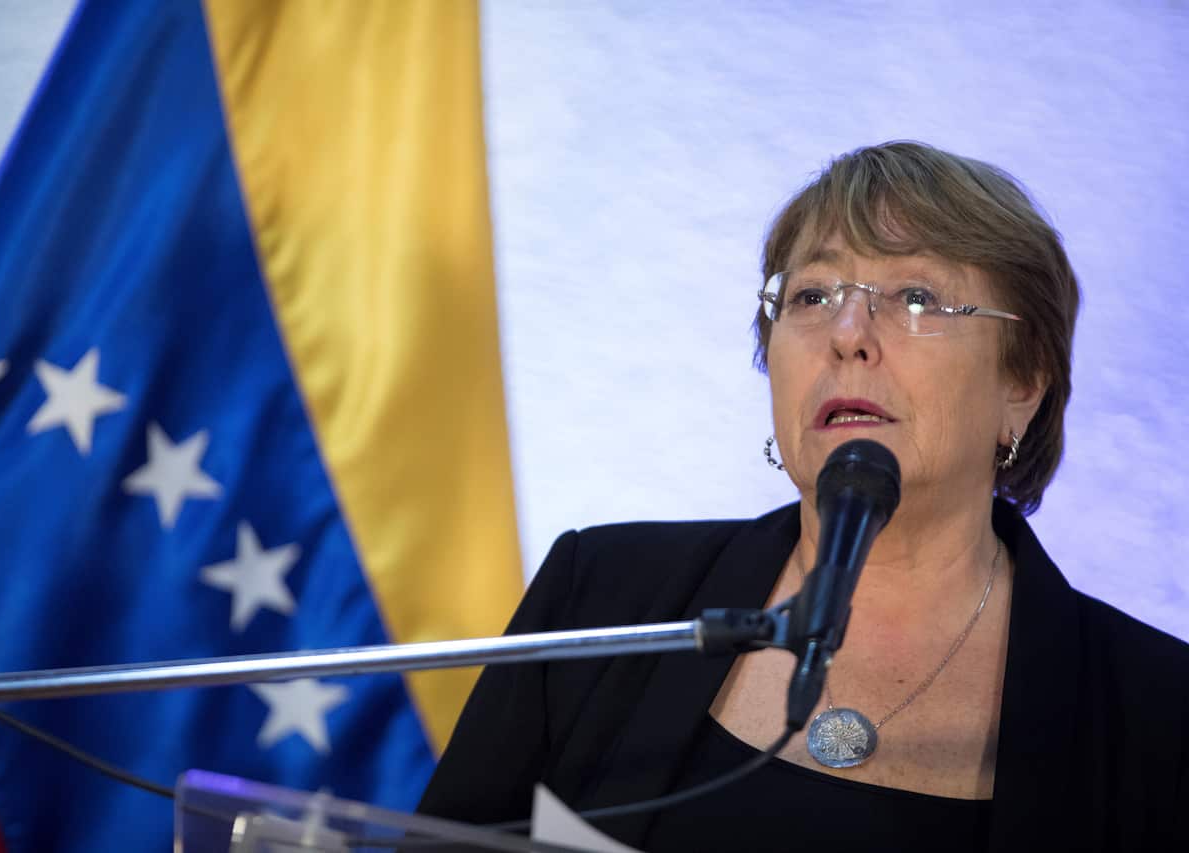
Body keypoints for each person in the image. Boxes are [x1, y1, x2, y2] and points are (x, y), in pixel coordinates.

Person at [417, 142, 1189, 851]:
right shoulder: (605, 596)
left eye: (916, 296)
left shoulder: (1159, 714)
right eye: (813, 295)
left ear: (1022, 383)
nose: (848, 331)